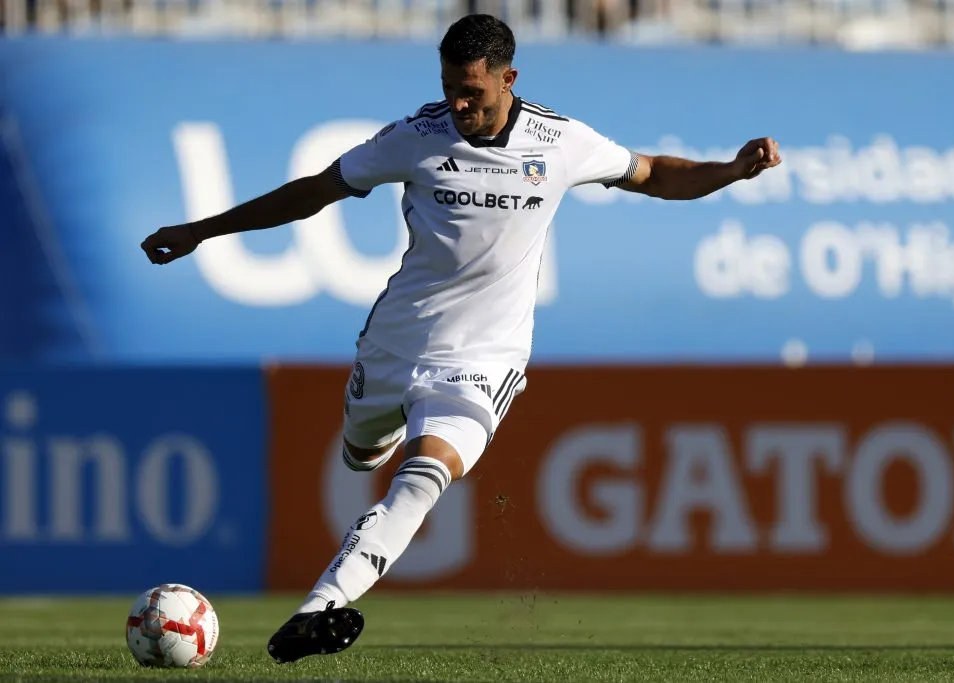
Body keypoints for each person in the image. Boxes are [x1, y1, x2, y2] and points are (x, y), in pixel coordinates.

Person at [140, 12, 782, 663]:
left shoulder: (559, 141)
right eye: (450, 88)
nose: (458, 104)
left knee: (424, 476)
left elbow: (654, 174)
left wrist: (730, 169)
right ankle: (374, 436)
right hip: (394, 345)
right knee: (362, 454)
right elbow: (313, 193)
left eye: (471, 91)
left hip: (484, 358)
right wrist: (201, 230)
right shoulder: (416, 137)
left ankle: (320, 607)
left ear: (509, 78)